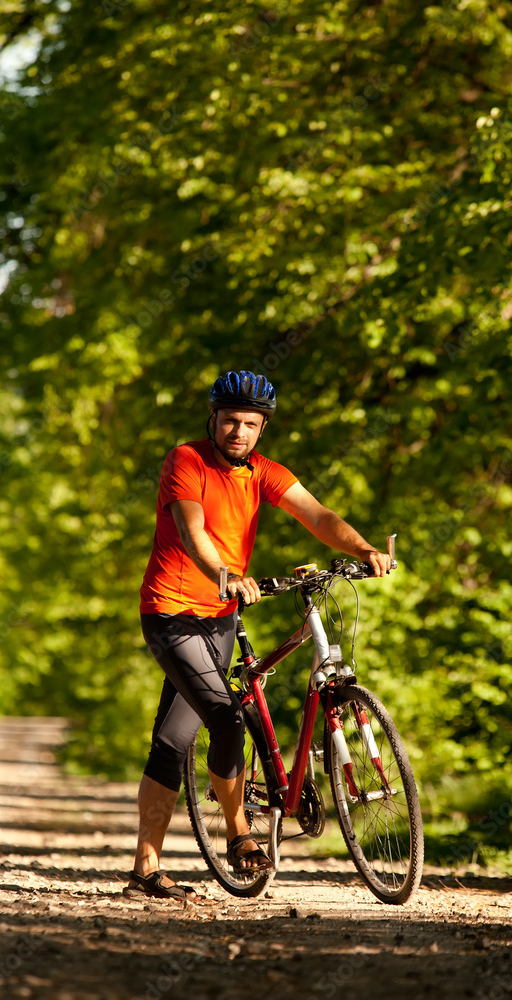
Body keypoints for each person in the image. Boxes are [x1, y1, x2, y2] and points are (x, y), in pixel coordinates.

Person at [124, 370, 392, 901]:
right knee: (225, 722)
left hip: (218, 619)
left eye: (249, 424)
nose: (238, 432)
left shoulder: (263, 472)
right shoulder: (187, 460)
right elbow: (192, 530)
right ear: (213, 419)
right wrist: (225, 574)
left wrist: (362, 549)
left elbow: (317, 514)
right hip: (172, 615)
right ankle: (238, 835)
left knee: (174, 740)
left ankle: (143, 871)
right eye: (230, 421)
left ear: (261, 428)